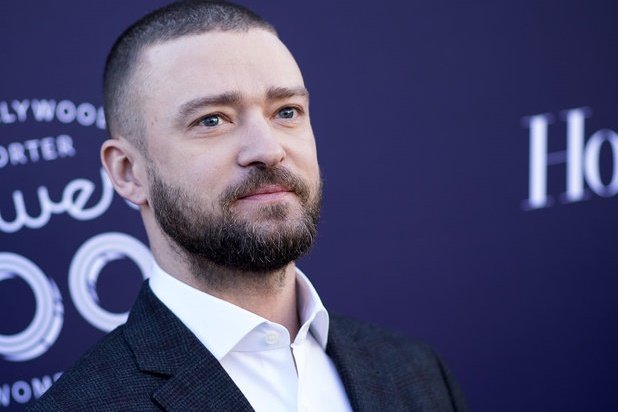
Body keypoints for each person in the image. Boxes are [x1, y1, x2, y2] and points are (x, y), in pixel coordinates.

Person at [28, 1, 467, 411]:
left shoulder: (415, 371)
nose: (268, 149)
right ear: (128, 172)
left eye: (286, 112)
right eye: (212, 120)